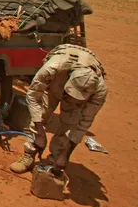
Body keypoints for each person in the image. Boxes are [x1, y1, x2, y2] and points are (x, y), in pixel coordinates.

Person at [9, 44, 107, 175]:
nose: (70, 99)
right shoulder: (52, 68)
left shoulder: (100, 92)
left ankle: (54, 162)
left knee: (69, 124)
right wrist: (40, 132)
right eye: (69, 95)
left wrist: (66, 154)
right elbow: (33, 96)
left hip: (73, 92)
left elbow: (84, 123)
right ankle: (29, 154)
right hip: (54, 84)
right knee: (41, 113)